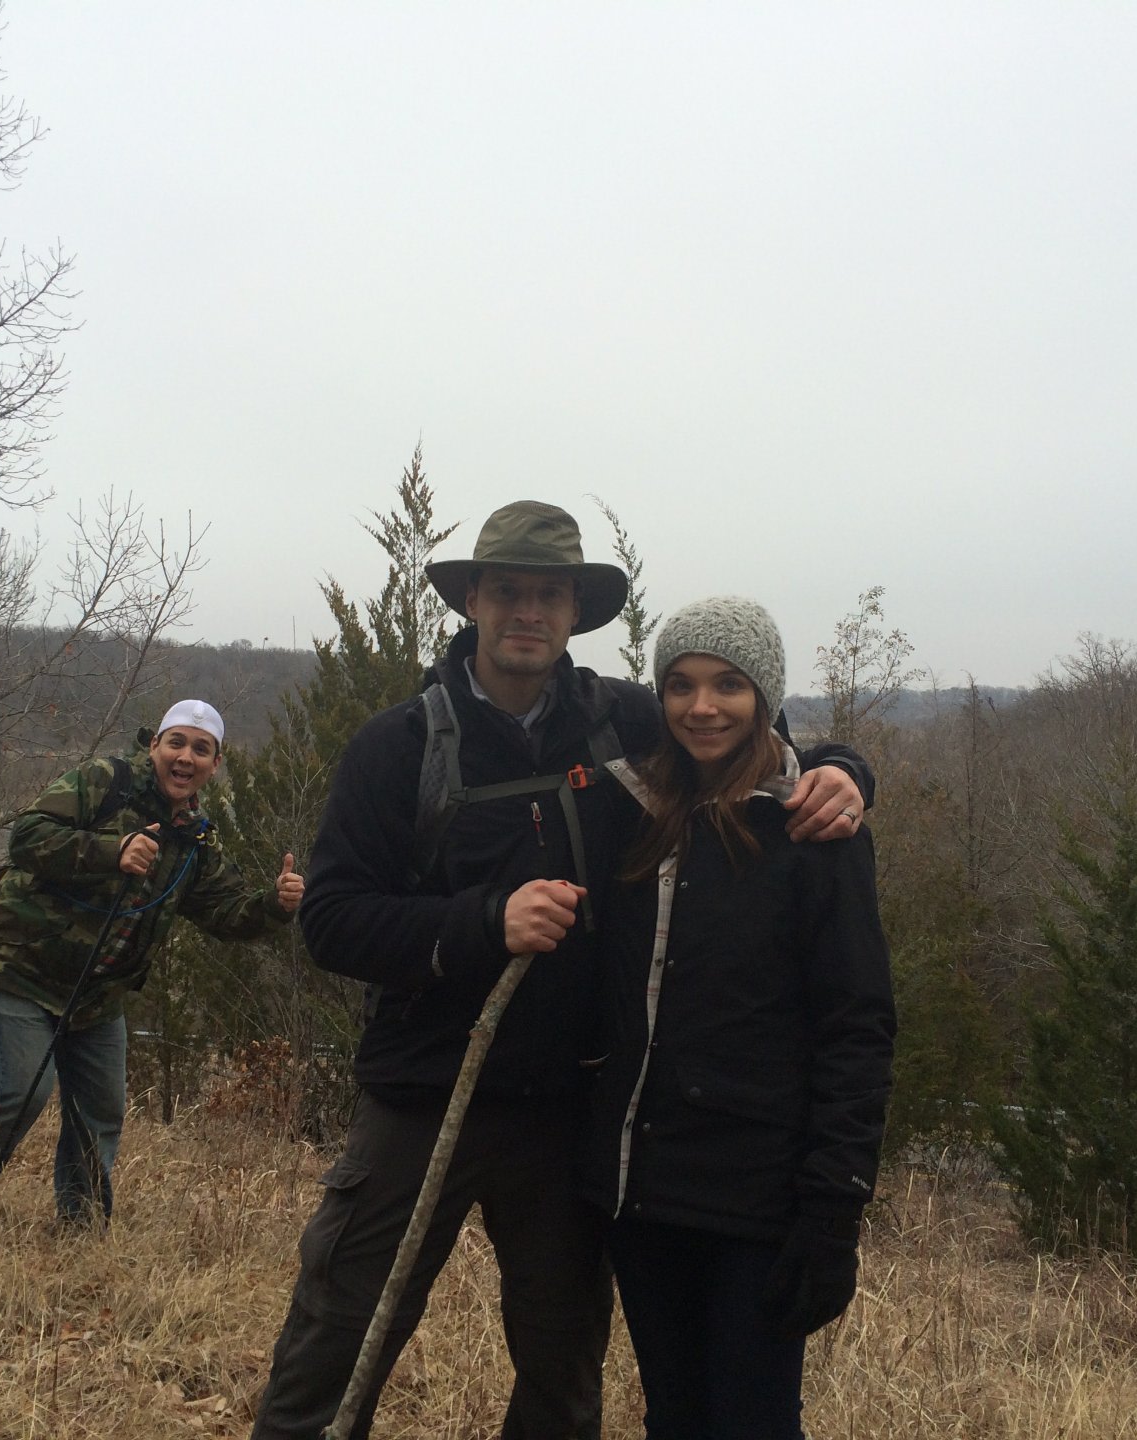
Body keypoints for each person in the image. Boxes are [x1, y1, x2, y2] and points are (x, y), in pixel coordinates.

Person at [250, 502, 874, 1440]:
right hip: (423, 1097)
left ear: (576, 610)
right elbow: (334, 921)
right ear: (471, 601)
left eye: (551, 594)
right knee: (336, 1344)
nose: (529, 612)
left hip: (567, 1116)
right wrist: (482, 923)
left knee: (562, 1371)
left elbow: (745, 742)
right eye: (509, 591)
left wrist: (845, 767)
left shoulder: (624, 721)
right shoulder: (401, 745)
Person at [582, 596, 895, 1440]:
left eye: (729, 684)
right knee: (675, 1417)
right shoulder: (634, 811)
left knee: (753, 1421)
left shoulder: (814, 830)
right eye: (680, 685)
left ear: (767, 694)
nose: (702, 706)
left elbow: (857, 1030)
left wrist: (834, 1213)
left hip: (759, 1202)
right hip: (643, 1196)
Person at [0, 699, 304, 1226]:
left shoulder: (195, 839)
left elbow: (224, 911)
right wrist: (111, 850)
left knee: (99, 1112)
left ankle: (83, 1223)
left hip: (97, 995)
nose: (185, 757)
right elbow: (27, 837)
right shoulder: (105, 782)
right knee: (17, 1090)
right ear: (155, 746)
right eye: (176, 742)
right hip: (16, 965)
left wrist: (274, 905)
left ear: (215, 765)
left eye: (201, 748)